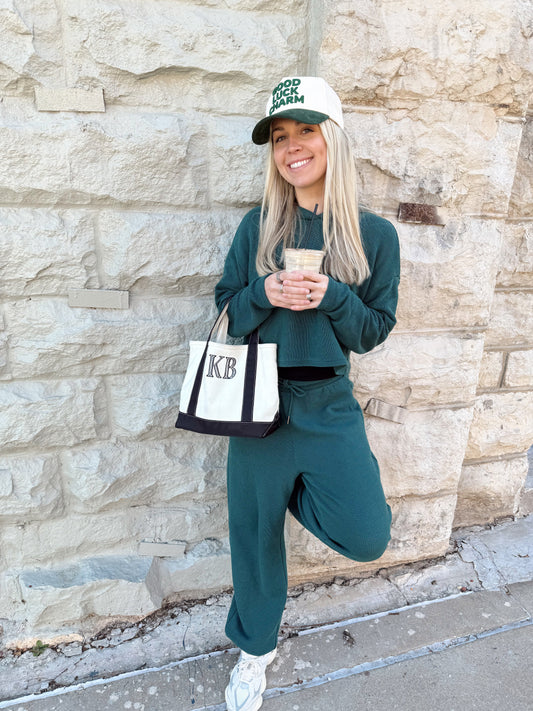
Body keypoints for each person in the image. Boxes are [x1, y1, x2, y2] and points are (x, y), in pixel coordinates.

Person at [214, 76, 400, 711]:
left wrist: (335, 297)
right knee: (254, 536)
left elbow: (373, 330)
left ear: (333, 138)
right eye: (279, 137)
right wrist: (262, 292)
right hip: (257, 404)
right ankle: (254, 651)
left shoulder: (374, 235)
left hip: (328, 406)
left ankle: (289, 489)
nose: (291, 146)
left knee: (368, 535)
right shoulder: (258, 226)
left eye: (305, 130)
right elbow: (225, 312)